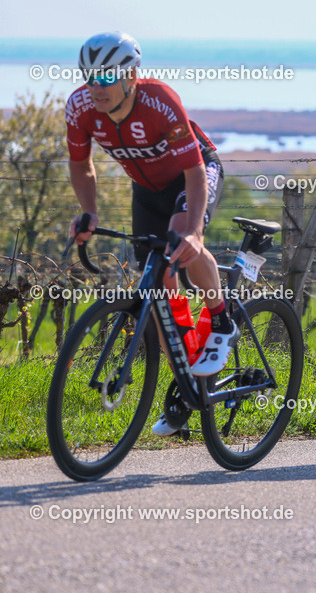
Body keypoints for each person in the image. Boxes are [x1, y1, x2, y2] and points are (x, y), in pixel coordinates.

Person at [66, 31, 231, 435]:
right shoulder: (80, 108)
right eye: (90, 77)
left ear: (130, 75)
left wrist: (193, 232)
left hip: (194, 176)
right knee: (156, 291)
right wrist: (88, 212)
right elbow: (81, 164)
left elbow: (194, 171)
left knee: (182, 248)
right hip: (148, 191)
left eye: (106, 77)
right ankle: (189, 386)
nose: (96, 87)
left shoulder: (158, 101)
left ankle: (221, 319)